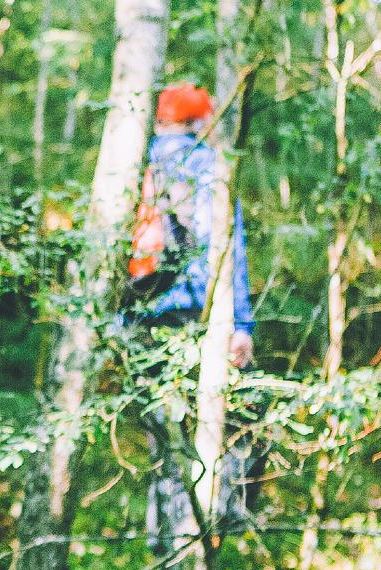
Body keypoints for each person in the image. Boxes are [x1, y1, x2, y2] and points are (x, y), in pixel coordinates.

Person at [131, 84, 262, 546]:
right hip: (193, 313)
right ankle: (202, 528)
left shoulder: (134, 160)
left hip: (141, 318)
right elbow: (225, 248)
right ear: (199, 121)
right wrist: (239, 325)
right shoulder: (205, 166)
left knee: (162, 433)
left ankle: (160, 534)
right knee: (229, 420)